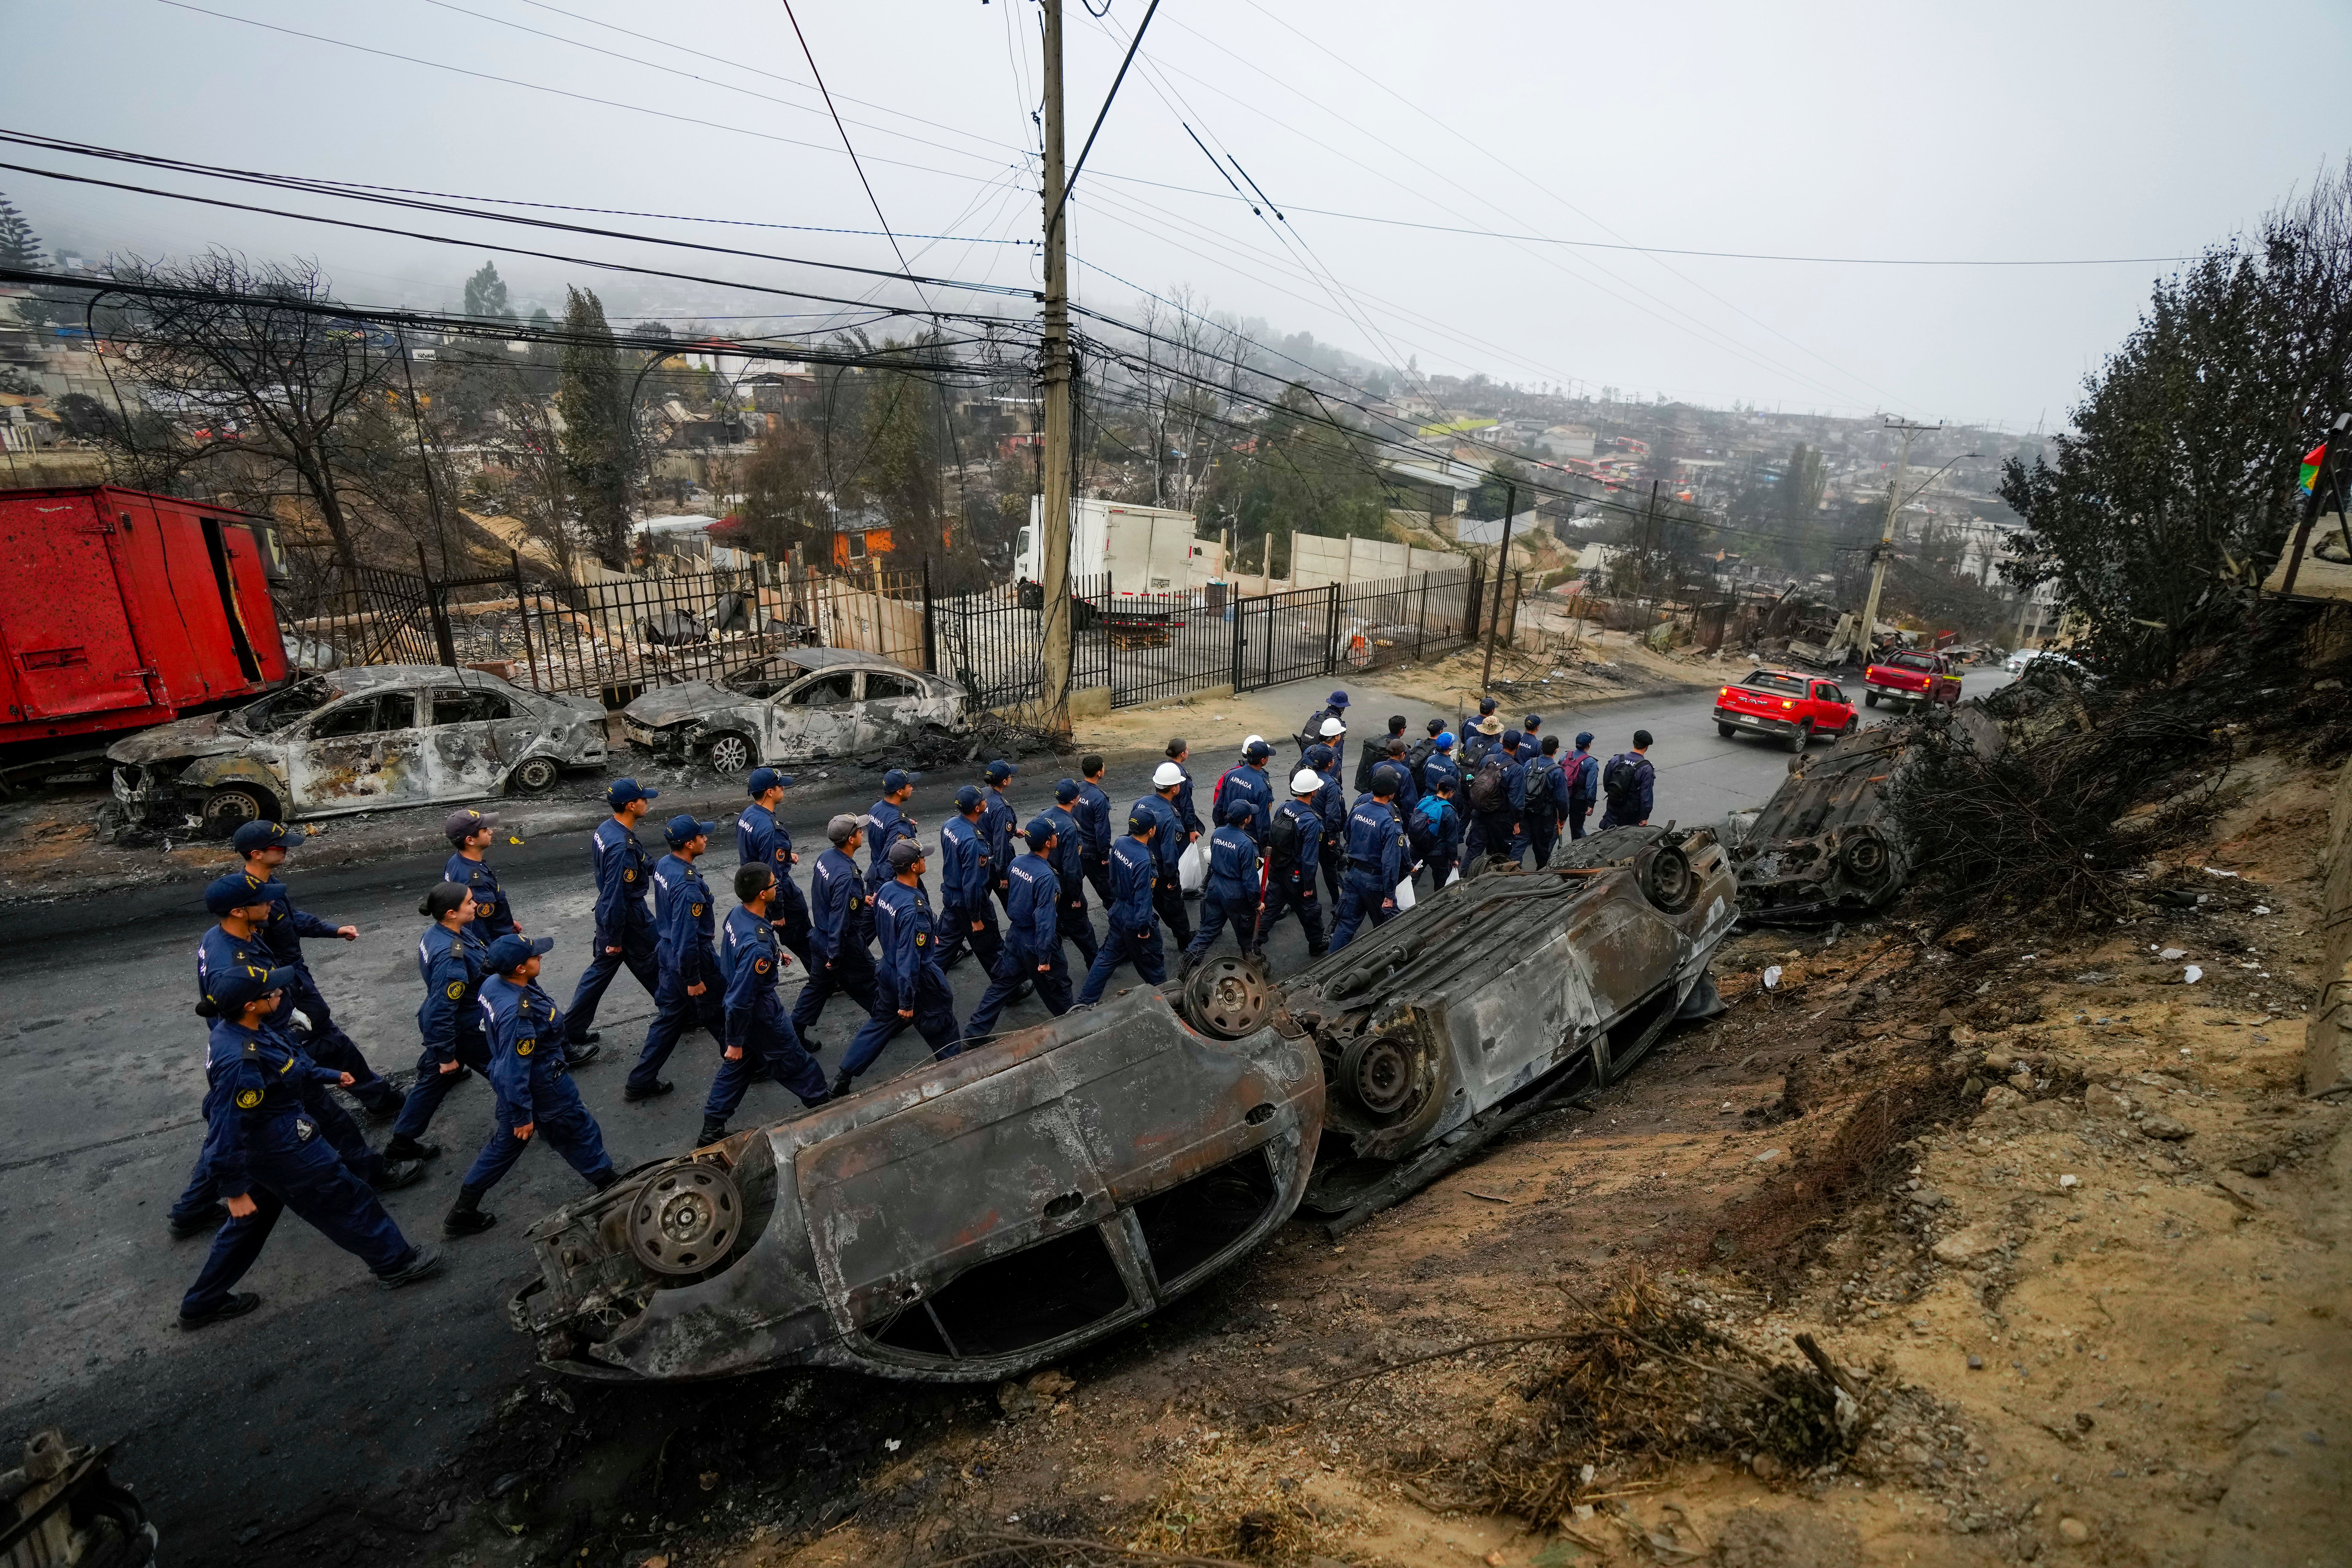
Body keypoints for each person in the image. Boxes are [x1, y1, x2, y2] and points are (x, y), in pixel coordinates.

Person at [177, 963, 442, 1328]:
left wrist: (333, 1075)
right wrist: (233, 1191)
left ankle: (201, 1303)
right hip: (283, 1149)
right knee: (347, 1199)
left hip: (265, 1151)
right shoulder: (242, 1060)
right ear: (251, 1005)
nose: (281, 994)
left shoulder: (245, 1030)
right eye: (272, 992)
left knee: (249, 1225)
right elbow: (226, 1128)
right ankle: (396, 1264)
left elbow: (288, 1066)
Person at [169, 874, 424, 1241]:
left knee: (235, 1127)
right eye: (263, 902)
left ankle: (191, 1208)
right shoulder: (232, 962)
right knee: (323, 1116)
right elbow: (231, 1007)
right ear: (240, 911)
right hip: (267, 1050)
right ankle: (371, 1172)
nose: (271, 907)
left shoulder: (228, 936)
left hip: (267, 1039)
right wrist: (270, 1036)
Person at [444, 935, 621, 1237]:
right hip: (543, 1088)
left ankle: (463, 1209)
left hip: (520, 1088)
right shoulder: (519, 1014)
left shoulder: (494, 985)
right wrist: (522, 1115)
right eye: (535, 958)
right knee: (578, 1132)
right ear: (520, 968)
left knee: (504, 1146)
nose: (540, 959)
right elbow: (514, 1069)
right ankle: (612, 1187)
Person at [230, 821, 402, 1118]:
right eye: (278, 846)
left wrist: (334, 931)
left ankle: (378, 1099)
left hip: (296, 980)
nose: (285, 850)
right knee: (308, 1049)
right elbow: (249, 958)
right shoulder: (245, 899)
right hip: (281, 989)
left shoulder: (271, 888)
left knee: (328, 1040)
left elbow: (292, 919)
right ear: (256, 854)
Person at [700, 865, 827, 1144]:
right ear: (761, 895)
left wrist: (777, 956)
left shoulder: (738, 915)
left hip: (742, 1007)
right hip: (760, 1013)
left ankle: (711, 1130)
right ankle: (825, 1105)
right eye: (773, 884)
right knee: (795, 1061)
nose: (777, 886)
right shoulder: (757, 946)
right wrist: (734, 1040)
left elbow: (744, 954)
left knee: (738, 1069)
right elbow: (742, 998)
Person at [834, 838, 961, 1097]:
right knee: (942, 1024)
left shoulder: (887, 890)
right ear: (914, 867)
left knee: (880, 1024)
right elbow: (909, 960)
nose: (926, 860)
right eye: (922, 858)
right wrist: (907, 1002)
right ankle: (957, 1075)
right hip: (915, 980)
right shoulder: (913, 910)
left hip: (887, 972)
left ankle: (843, 1077)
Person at [384, 881, 493, 1163]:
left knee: (434, 1081)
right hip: (465, 1029)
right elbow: (442, 1008)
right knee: (505, 1072)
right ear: (451, 913)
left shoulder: (439, 934)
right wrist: (446, 1054)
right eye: (469, 902)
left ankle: (402, 1142)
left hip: (452, 1028)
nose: (475, 904)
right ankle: (533, 1119)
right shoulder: (451, 955)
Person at [624, 815, 724, 1103]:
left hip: (666, 953)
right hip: (690, 959)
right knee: (719, 1012)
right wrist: (693, 979)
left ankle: (640, 1081)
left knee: (669, 1019)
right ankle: (746, 1065)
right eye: (702, 837)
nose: (706, 839)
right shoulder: (688, 886)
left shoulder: (666, 865)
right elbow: (687, 938)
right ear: (689, 844)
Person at [564, 779, 661, 1059]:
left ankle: (571, 1031)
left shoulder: (610, 829)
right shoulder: (622, 847)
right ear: (632, 806)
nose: (647, 803)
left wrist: (668, 866)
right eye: (644, 799)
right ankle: (678, 1011)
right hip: (627, 917)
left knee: (608, 973)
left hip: (617, 915)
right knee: (659, 959)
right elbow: (617, 894)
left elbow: (644, 860)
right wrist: (614, 938)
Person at [965, 817, 1076, 1038]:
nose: (1057, 838)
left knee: (1002, 985)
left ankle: (974, 1034)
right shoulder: (1047, 877)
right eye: (1054, 835)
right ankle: (1075, 1029)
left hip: (1016, 938)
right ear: (1047, 843)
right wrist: (1045, 958)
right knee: (1058, 989)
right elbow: (1045, 920)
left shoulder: (1017, 864)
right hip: (1036, 942)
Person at [792, 814, 881, 1042]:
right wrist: (835, 954)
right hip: (842, 943)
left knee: (817, 987)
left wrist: (861, 900)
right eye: (860, 831)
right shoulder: (848, 877)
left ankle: (795, 1030)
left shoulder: (826, 857)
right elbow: (840, 919)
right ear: (851, 840)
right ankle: (887, 1021)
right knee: (870, 982)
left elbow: (829, 897)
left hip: (819, 937)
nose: (863, 833)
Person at [1077, 812, 1168, 1005]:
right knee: (1152, 964)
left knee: (1106, 958)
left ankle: (1083, 1003)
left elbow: (1113, 876)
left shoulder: (1120, 843)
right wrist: (1144, 928)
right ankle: (1167, 1002)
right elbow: (1143, 898)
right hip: (1136, 917)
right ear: (1151, 831)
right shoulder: (1144, 860)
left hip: (1119, 910)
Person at [736, 766, 814, 973]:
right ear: (770, 792)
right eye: (780, 786)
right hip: (778, 894)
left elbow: (758, 851)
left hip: (755, 887)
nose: (784, 790)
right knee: (805, 938)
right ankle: (823, 980)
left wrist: (787, 855)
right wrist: (778, 912)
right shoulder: (770, 828)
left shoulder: (748, 815)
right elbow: (774, 874)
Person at [1330, 765, 1406, 951]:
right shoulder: (1390, 822)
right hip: (1375, 882)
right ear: (1391, 794)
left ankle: (1326, 966)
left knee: (1347, 924)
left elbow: (1348, 836)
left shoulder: (1359, 810)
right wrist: (1389, 895)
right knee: (1386, 928)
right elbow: (1391, 863)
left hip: (1353, 875)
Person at [933, 785, 1003, 974]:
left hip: (951, 896)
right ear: (978, 808)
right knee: (989, 945)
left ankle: (924, 987)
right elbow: (972, 882)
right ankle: (1010, 989)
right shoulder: (973, 841)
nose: (986, 801)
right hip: (969, 902)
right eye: (983, 800)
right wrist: (976, 918)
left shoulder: (950, 825)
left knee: (944, 947)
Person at [1184, 802, 1263, 969]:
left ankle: (1188, 962)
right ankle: (1255, 967)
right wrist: (1257, 903)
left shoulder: (1218, 833)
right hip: (1236, 894)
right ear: (1247, 820)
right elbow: (1250, 879)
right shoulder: (1247, 844)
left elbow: (1214, 862)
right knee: (1246, 935)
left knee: (1207, 931)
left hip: (1215, 887)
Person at [1260, 773, 1329, 958]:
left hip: (1278, 868)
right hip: (1297, 875)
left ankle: (1254, 943)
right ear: (1313, 791)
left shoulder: (1284, 808)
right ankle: (1316, 944)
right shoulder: (1311, 821)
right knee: (1310, 910)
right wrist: (1308, 887)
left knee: (1271, 907)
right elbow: (1309, 859)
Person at [1137, 761, 1195, 947]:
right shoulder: (1170, 816)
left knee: (1156, 901)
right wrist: (1171, 877)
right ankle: (1184, 939)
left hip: (1143, 863)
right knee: (1174, 904)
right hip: (1161, 869)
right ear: (1175, 789)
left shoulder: (1142, 803)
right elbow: (1169, 852)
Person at [1045, 780, 1099, 967]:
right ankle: (1095, 963)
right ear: (1075, 800)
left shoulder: (1045, 815)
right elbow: (1072, 867)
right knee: (1082, 928)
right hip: (1063, 885)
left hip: (1046, 879)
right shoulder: (1070, 827)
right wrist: (1076, 896)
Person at [443, 807, 518, 941]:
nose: (491, 832)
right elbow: (478, 932)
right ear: (471, 840)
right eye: (485, 830)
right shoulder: (476, 882)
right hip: (498, 945)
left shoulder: (456, 861)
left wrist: (508, 924)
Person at [1463, 728, 1520, 865]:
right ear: (1518, 747)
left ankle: (1461, 880)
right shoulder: (1516, 769)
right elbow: (1516, 801)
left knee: (1474, 850)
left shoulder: (1488, 760)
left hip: (1480, 811)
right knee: (1499, 855)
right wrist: (1516, 823)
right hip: (1500, 818)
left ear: (1502, 742)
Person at [864, 770, 922, 900]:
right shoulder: (898, 824)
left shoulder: (877, 808)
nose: (912, 788)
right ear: (900, 792)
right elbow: (889, 860)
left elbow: (881, 832)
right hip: (891, 884)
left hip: (874, 873)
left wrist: (904, 823)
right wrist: (880, 890)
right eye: (909, 786)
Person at [1212, 737, 1276, 848]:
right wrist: (1263, 846)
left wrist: (1221, 829)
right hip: (1249, 838)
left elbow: (1219, 807)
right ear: (1263, 760)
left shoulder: (1230, 775)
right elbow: (1262, 822)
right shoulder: (1262, 786)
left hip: (1227, 831)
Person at [1306, 742, 1347, 904]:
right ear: (1330, 764)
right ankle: (1338, 900)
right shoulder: (1331, 785)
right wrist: (1332, 835)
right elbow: (1332, 813)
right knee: (1330, 867)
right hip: (1323, 832)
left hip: (1307, 828)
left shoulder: (1307, 777)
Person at [980, 759, 1020, 915]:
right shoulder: (1001, 807)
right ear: (1004, 782)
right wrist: (1003, 873)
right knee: (1013, 902)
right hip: (997, 862)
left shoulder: (980, 795)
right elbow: (1000, 843)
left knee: (981, 902)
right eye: (1010, 776)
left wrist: (1012, 830)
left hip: (981, 858)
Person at [1523, 735, 1567, 869]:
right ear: (1556, 751)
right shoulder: (1557, 771)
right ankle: (1541, 871)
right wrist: (1563, 818)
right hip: (1545, 815)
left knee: (1519, 842)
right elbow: (1562, 799)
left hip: (1525, 810)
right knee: (1543, 845)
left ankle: (1513, 867)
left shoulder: (1529, 763)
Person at [1074, 756, 1114, 905]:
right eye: (1103, 767)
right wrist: (1105, 855)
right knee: (1110, 893)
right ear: (1099, 773)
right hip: (1093, 853)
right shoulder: (1099, 798)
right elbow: (1102, 830)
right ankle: (1119, 924)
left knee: (1071, 886)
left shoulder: (1075, 789)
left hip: (1075, 847)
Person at [1599, 730, 1657, 830]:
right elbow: (1646, 796)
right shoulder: (1646, 768)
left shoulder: (1617, 760)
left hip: (1613, 807)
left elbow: (1607, 783)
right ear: (1647, 748)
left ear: (1634, 743)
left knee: (1607, 838)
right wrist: (1644, 817)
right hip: (1632, 813)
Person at [1417, 774, 1463, 890]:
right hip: (1438, 854)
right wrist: (1454, 859)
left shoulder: (1424, 801)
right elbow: (1452, 839)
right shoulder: (1449, 812)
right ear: (1452, 793)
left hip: (1419, 848)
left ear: (1438, 786)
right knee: (1441, 885)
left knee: (1411, 878)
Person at [1296, 688, 1350, 772]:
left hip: (1309, 757)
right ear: (1342, 708)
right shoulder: (1338, 724)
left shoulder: (1317, 715)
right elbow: (1338, 752)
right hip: (1324, 765)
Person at [1356, 715, 1408, 793]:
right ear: (1402, 731)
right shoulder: (1402, 748)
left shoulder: (1377, 742)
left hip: (1368, 787)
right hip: (1388, 792)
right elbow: (1405, 772)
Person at [1564, 731, 1600, 840]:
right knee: (1577, 828)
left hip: (1564, 796)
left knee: (1557, 826)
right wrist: (1591, 803)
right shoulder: (1591, 763)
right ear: (1589, 745)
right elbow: (1591, 785)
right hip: (1579, 800)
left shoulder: (1566, 756)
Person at [1422, 730, 1461, 801]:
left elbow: (1424, 774)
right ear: (1451, 747)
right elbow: (1454, 787)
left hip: (1427, 796)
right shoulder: (1452, 767)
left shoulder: (1430, 759)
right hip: (1443, 799)